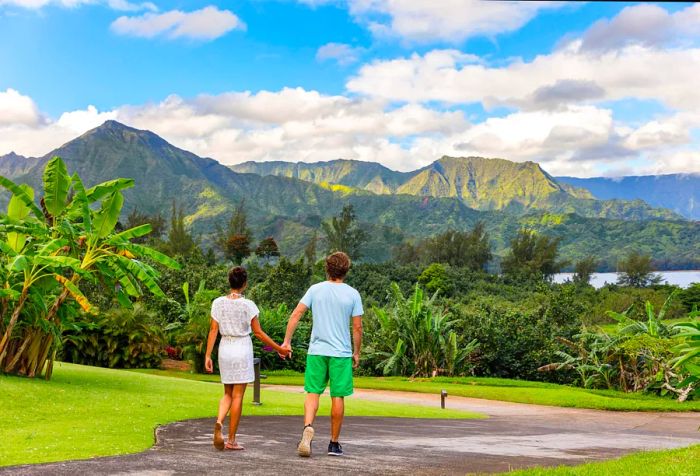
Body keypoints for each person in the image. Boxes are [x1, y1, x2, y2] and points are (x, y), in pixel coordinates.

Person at [282, 251, 363, 457]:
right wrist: (357, 353)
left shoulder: (315, 289)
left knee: (313, 393)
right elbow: (357, 328)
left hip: (317, 351)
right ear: (346, 270)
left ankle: (308, 427)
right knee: (338, 396)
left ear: (327, 268)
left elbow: (296, 313)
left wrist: (287, 341)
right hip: (341, 353)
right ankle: (334, 444)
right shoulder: (353, 294)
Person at [205, 266, 290, 451]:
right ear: (245, 284)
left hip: (225, 348)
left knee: (227, 393)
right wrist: (279, 349)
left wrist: (207, 355)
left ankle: (219, 421)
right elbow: (258, 333)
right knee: (238, 396)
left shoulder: (217, 303)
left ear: (230, 282)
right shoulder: (248, 305)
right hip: (242, 348)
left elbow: (213, 331)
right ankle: (231, 440)